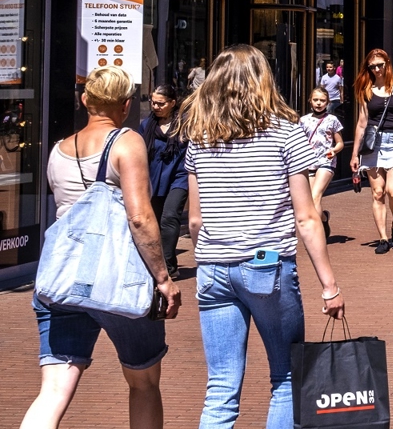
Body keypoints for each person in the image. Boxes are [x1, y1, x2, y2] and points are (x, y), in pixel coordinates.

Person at [181, 46, 345, 429]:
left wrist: (211, 251)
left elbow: (194, 220)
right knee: (286, 377)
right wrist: (329, 285)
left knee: (220, 386)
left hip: (213, 267)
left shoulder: (200, 138)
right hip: (266, 266)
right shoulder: (286, 134)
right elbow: (306, 217)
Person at [23, 67, 180, 429]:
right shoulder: (127, 142)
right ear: (125, 105)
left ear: (85, 100)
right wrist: (163, 277)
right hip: (117, 280)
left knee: (53, 390)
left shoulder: (59, 149)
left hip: (61, 281)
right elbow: (139, 218)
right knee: (143, 382)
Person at [349, 48, 393, 253]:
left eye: (380, 65)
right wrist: (354, 154)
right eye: (373, 67)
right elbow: (362, 123)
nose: (377, 69)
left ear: (388, 64)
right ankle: (383, 238)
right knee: (378, 192)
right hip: (374, 144)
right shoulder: (366, 88)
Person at [139, 85, 189, 275]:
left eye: (161, 103)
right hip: (153, 178)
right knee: (154, 220)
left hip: (178, 176)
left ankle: (168, 266)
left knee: (169, 217)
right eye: (153, 102)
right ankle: (155, 263)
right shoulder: (146, 125)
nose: (156, 106)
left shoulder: (184, 125)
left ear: (172, 103)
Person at [297, 87, 343, 234]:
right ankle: (324, 219)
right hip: (309, 162)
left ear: (327, 102)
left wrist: (334, 150)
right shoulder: (303, 120)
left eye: (322, 100)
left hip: (326, 162)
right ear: (310, 101)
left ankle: (316, 234)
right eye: (316, 100)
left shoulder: (332, 120)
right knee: (310, 200)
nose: (318, 103)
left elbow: (340, 143)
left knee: (316, 196)